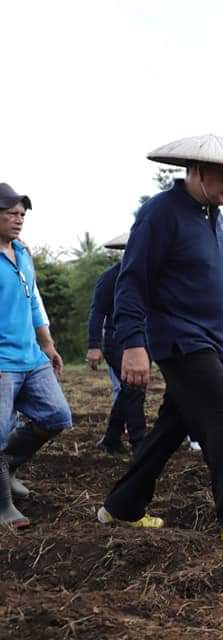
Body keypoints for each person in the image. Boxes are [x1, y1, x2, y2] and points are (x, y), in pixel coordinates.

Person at [98, 134, 223, 543]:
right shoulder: (160, 213)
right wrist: (132, 343)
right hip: (178, 338)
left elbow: (213, 281)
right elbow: (131, 281)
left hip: (210, 339)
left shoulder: (213, 215)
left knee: (171, 427)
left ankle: (122, 506)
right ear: (197, 171)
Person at [0, 183, 72, 529]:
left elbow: (33, 301)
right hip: (1, 363)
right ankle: (3, 506)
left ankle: (8, 466)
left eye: (22, 214)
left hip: (31, 356)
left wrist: (47, 343)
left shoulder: (22, 253)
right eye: (11, 213)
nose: (18, 220)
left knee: (56, 415)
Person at [86, 231, 148, 454]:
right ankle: (139, 442)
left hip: (142, 338)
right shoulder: (111, 276)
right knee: (134, 387)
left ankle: (111, 439)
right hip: (116, 338)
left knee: (129, 387)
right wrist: (94, 345)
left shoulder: (148, 274)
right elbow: (97, 312)